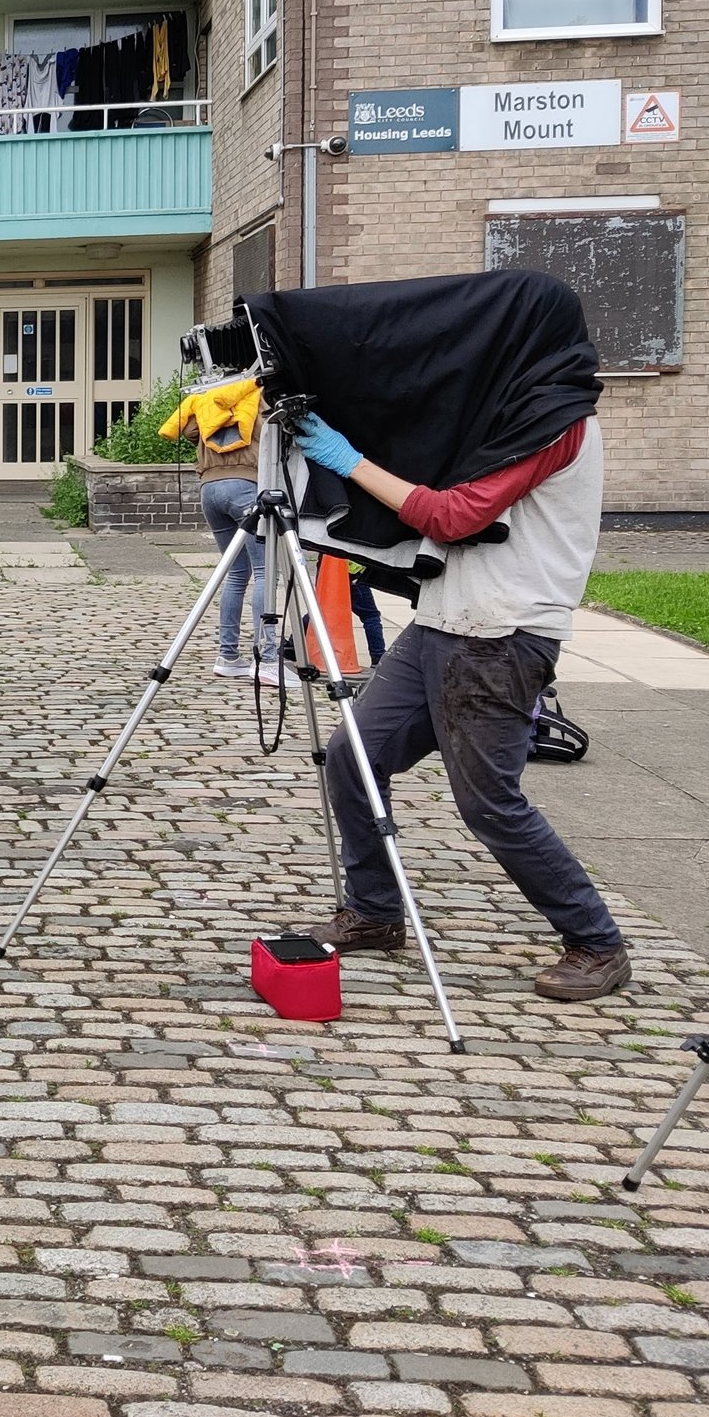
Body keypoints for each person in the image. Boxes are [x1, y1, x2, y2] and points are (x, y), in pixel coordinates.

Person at [292, 407, 630, 1000]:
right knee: (353, 757)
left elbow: (454, 516)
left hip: (504, 632)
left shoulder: (557, 421)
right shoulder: (509, 413)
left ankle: (596, 941)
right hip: (442, 620)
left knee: (489, 803)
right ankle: (374, 911)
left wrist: (348, 460)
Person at [160, 375, 273, 683]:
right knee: (264, 570)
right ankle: (269, 658)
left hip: (209, 489)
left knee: (236, 573)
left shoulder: (205, 399)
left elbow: (190, 430)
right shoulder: (260, 396)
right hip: (246, 486)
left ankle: (228, 655)